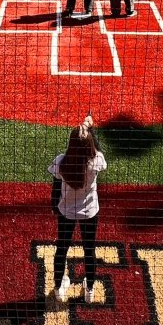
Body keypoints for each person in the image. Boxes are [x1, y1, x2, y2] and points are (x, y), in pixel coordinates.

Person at [49, 116, 106, 304]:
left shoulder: (61, 162)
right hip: (90, 212)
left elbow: (55, 188)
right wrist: (91, 129)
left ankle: (58, 289)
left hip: (66, 211)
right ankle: (89, 290)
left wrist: (54, 206)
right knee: (89, 250)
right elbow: (98, 150)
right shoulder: (96, 161)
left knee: (62, 249)